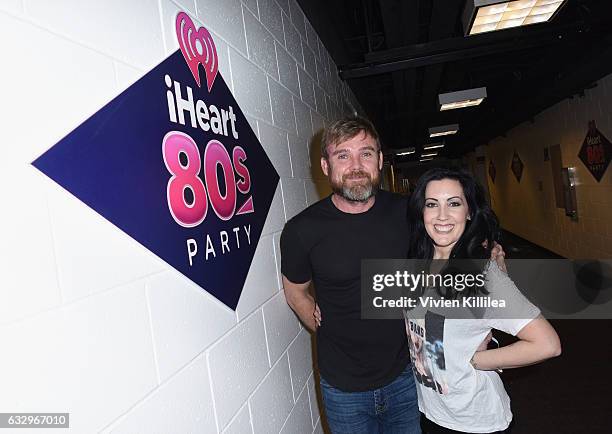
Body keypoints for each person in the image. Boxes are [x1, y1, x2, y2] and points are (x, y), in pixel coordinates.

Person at [280, 116, 421, 433]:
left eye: (366, 153)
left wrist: (488, 249)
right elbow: (295, 291)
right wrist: (318, 323)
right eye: (343, 155)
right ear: (326, 165)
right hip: (342, 388)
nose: (356, 166)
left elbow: (445, 251)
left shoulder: (407, 213)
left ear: (380, 160)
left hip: (404, 375)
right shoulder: (302, 230)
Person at [404, 167, 561, 434]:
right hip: (432, 411)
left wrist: (476, 361)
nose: (442, 215)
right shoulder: (419, 263)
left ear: (469, 212)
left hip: (476, 420)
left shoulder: (483, 275)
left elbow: (547, 344)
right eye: (432, 204)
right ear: (422, 212)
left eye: (454, 203)